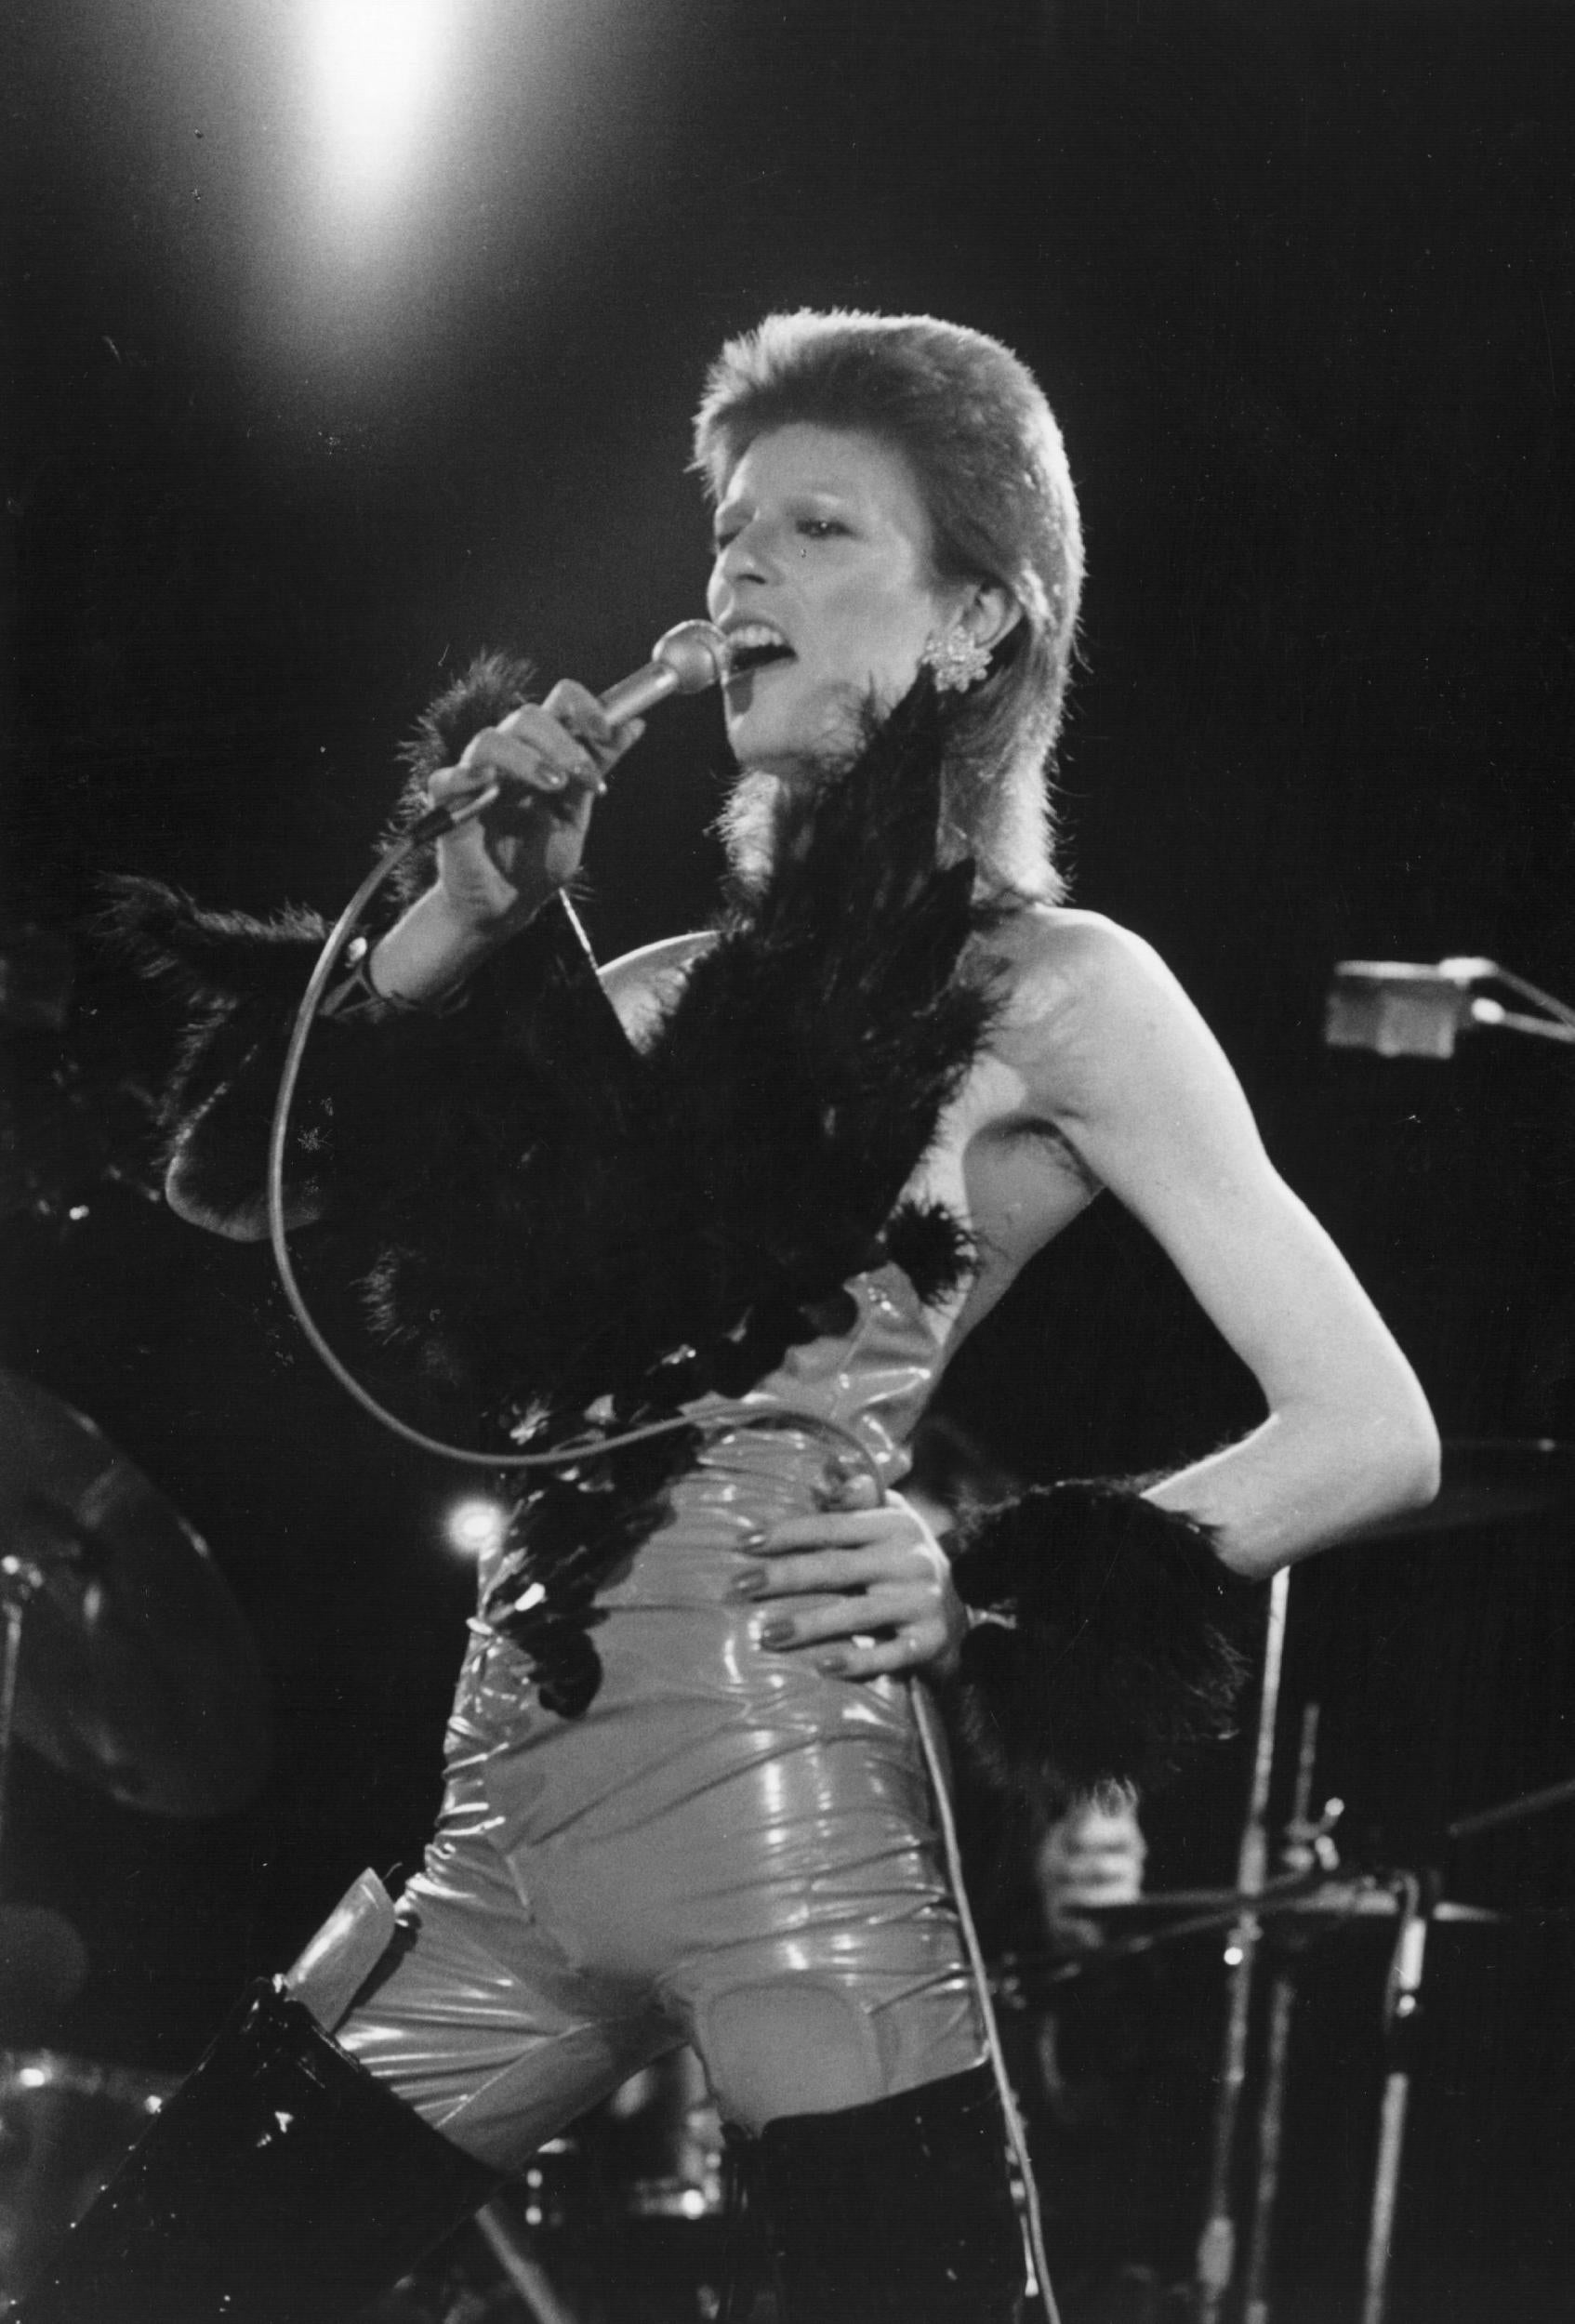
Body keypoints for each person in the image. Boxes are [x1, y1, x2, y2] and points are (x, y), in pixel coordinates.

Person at [23, 311, 1439, 2324]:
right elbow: (233, 1181)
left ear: (974, 626)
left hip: (780, 1822)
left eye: (816, 528)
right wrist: (464, 917)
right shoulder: (646, 994)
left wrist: (989, 1585)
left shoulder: (1059, 985)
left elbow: (1369, 1422)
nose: (734, 573)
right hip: (499, 1845)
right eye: (728, 531)